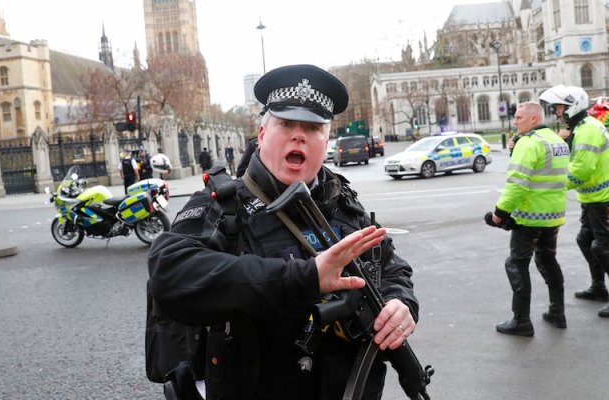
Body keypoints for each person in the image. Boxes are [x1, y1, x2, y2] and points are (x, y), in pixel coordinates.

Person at [147, 64, 419, 399]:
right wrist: (303, 277)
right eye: (286, 123)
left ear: (326, 139)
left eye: (313, 127)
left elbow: (390, 265)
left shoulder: (343, 202)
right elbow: (168, 270)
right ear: (262, 134)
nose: (299, 135)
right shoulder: (223, 206)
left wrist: (400, 302)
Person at [539, 85, 609, 317]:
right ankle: (599, 287)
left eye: (561, 107)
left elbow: (581, 169)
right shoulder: (580, 128)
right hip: (591, 197)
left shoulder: (588, 129)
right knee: (585, 239)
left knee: (602, 245)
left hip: (602, 198)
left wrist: (552, 185)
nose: (558, 112)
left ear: (573, 107)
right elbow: (573, 159)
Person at [487, 102, 570, 336]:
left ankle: (521, 320)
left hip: (529, 218)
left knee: (516, 264)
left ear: (533, 119)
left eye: (519, 117)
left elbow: (517, 184)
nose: (515, 121)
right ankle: (557, 312)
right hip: (553, 216)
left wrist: (499, 213)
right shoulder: (556, 141)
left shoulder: (529, 143)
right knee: (548, 260)